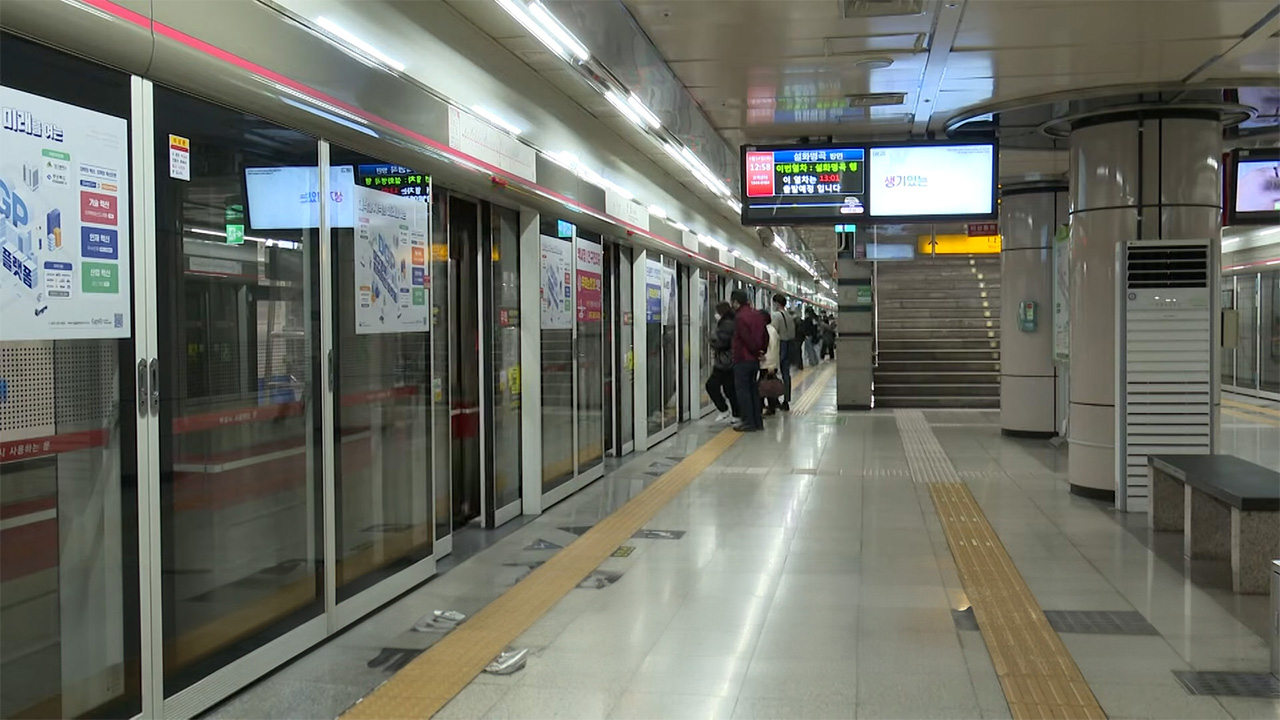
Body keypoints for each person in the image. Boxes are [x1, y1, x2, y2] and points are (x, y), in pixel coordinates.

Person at [729, 289, 766, 432]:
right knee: (753, 391)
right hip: (754, 361)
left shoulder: (740, 317)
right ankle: (757, 422)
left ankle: (749, 422)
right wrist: (761, 351)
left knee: (743, 392)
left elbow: (746, 339)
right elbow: (765, 336)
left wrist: (755, 350)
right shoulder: (757, 315)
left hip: (743, 359)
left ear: (736, 302)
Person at [705, 301, 739, 423]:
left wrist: (711, 339)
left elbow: (722, 342)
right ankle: (736, 414)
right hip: (729, 361)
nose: (715, 315)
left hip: (724, 362)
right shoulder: (731, 321)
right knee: (730, 389)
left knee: (711, 385)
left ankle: (724, 410)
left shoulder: (726, 324)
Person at [770, 294, 795, 411]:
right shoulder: (789, 316)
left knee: (772, 372)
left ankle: (774, 400)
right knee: (786, 374)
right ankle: (786, 400)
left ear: (777, 303)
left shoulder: (776, 315)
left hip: (780, 345)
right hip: (789, 344)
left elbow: (773, 332)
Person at [760, 309, 782, 416]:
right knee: (769, 386)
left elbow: (771, 349)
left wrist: (771, 365)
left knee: (766, 386)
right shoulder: (771, 330)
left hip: (768, 364)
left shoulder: (769, 331)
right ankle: (771, 406)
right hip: (770, 363)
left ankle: (768, 407)